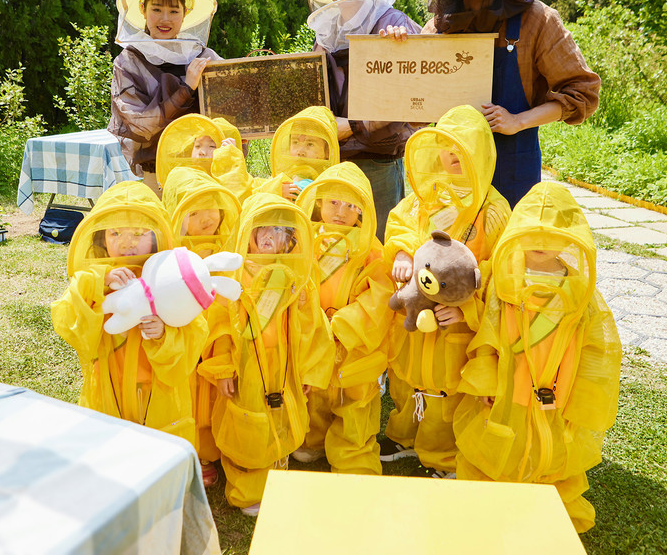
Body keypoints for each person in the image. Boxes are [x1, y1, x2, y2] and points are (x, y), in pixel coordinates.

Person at [453, 182, 621, 533]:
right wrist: (485, 379)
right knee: (497, 445)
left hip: (557, 391)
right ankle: (488, 505)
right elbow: (486, 332)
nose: (541, 242)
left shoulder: (582, 293)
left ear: (571, 240)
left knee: (552, 451)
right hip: (506, 387)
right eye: (533, 232)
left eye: (553, 234)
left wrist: (582, 398)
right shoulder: (500, 280)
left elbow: (596, 350)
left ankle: (550, 512)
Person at [425, 0, 601, 209]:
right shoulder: (437, 28)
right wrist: (395, 46)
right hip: (452, 177)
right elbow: (412, 102)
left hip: (513, 170)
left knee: (511, 238)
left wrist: (518, 121)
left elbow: (583, 93)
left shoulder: (538, 20)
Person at [376, 104, 512, 477]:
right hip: (417, 310)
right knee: (408, 376)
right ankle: (404, 435)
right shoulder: (429, 194)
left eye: (461, 151)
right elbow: (402, 224)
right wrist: (402, 252)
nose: (452, 158)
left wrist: (466, 308)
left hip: (454, 319)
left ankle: (443, 455)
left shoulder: (493, 209)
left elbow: (496, 275)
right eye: (446, 150)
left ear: (479, 154)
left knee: (447, 385)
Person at [197, 194, 333, 516]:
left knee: (279, 415)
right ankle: (246, 488)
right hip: (245, 365)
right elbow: (218, 326)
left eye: (282, 230)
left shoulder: (299, 276)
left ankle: (275, 469)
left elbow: (313, 327)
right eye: (264, 228)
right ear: (248, 231)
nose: (273, 236)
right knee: (245, 422)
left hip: (284, 365)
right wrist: (223, 368)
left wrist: (308, 370)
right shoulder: (233, 276)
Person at [51, 181, 208, 450]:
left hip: (158, 393)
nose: (127, 244)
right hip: (108, 388)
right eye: (115, 233)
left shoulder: (171, 277)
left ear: (157, 236)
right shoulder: (93, 278)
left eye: (138, 233)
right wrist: (98, 282)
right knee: (108, 450)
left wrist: (164, 334)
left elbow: (195, 332)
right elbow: (68, 320)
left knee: (158, 452)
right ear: (101, 237)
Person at [292, 0, 422, 239]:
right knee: (339, 248)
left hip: (378, 162)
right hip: (334, 162)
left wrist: (350, 126)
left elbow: (409, 98)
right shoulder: (326, 33)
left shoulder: (392, 23)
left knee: (381, 244)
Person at [292, 162, 391, 473]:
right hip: (315, 336)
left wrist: (342, 326)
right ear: (319, 201)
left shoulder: (370, 249)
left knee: (354, 400)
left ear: (363, 209)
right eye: (334, 202)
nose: (341, 212)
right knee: (315, 393)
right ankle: (312, 440)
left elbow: (379, 295)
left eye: (351, 205)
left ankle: (353, 453)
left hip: (352, 345)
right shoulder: (305, 239)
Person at [162, 166, 242, 488]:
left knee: (213, 395)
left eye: (210, 207)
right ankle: (196, 450)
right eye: (193, 213)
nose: (206, 218)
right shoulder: (170, 252)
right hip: (185, 338)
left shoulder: (228, 243)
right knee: (190, 394)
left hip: (219, 334)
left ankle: (214, 446)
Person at [108, 0, 221, 197]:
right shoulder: (128, 61)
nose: (165, 19)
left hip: (206, 171)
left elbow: (231, 104)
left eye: (174, 11)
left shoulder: (203, 55)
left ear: (185, 13)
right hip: (158, 172)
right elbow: (140, 124)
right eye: (157, 9)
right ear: (143, 9)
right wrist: (186, 89)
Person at [256, 105, 340, 201]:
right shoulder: (285, 174)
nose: (300, 152)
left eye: (310, 144)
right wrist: (275, 190)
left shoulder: (328, 183)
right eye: (295, 142)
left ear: (328, 151)